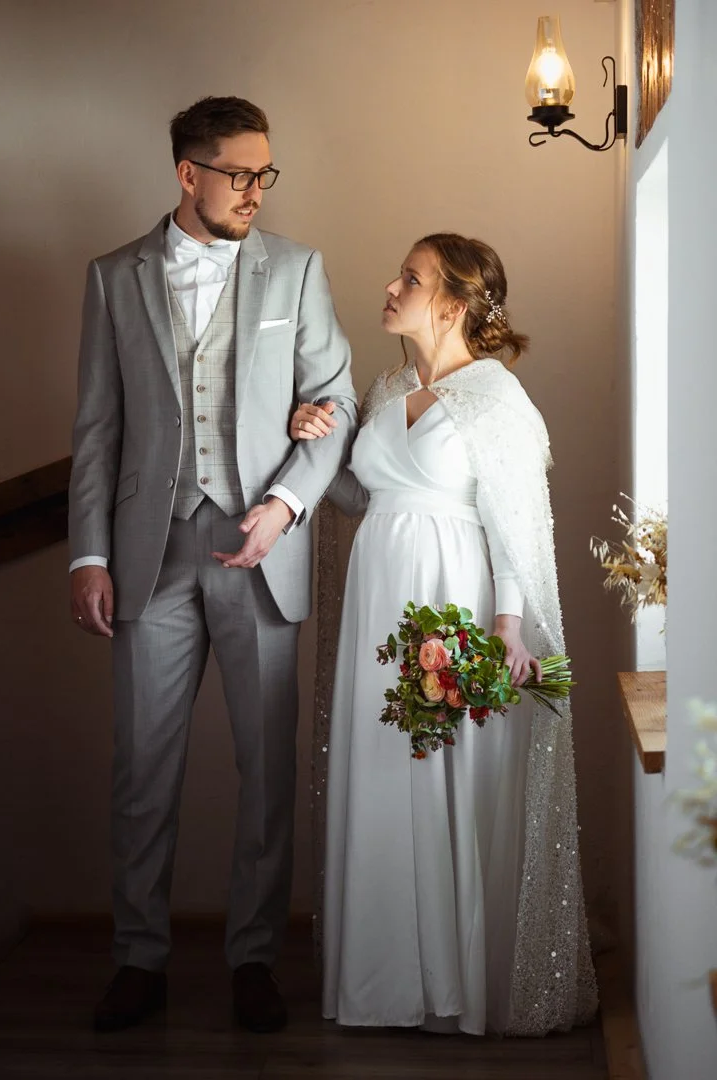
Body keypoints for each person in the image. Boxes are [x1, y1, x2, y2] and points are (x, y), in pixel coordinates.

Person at [68, 96, 357, 1034]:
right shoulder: (114, 276)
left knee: (267, 773)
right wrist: (89, 552)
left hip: (261, 552)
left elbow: (337, 403)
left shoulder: (298, 270)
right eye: (238, 173)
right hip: (150, 554)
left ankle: (255, 961)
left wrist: (283, 505)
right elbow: (97, 429)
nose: (255, 192)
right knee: (141, 768)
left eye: (266, 174)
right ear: (188, 173)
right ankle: (138, 958)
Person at [290, 234, 596, 1036]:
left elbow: (517, 525)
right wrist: (318, 435)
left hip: (453, 597)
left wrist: (504, 625)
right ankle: (381, 981)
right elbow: (359, 493)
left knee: (446, 774)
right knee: (382, 765)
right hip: (378, 596)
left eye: (412, 278)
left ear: (454, 305)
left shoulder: (498, 402)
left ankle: (456, 987)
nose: (391, 285)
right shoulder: (388, 385)